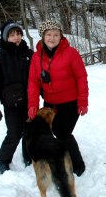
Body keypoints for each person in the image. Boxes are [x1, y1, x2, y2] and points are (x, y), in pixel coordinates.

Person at [27, 20, 88, 177]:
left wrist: (82, 101)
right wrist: (33, 105)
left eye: (56, 34)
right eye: (49, 34)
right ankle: (63, 157)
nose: (52, 38)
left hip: (70, 101)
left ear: (61, 36)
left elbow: (81, 77)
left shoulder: (71, 53)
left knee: (63, 132)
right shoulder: (36, 57)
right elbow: (33, 82)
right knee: (54, 131)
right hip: (49, 102)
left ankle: (78, 164)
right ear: (43, 36)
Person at [0, 20, 34, 174]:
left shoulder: (29, 54)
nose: (16, 37)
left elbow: (38, 76)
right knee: (14, 132)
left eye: (18, 33)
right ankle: (3, 160)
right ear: (5, 37)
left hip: (29, 100)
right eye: (12, 34)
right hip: (10, 103)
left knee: (29, 131)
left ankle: (28, 156)